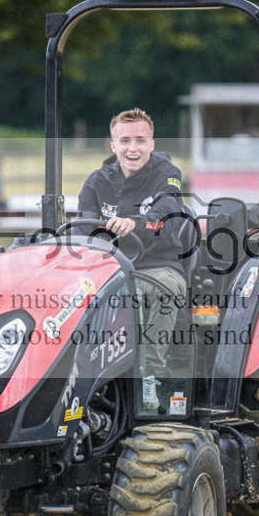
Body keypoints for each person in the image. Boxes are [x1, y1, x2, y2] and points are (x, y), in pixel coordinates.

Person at [78, 109, 186, 407]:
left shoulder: (167, 175)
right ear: (113, 145)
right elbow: (85, 227)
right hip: (109, 267)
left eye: (140, 140)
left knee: (161, 290)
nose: (133, 148)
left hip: (157, 264)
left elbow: (167, 211)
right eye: (125, 141)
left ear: (152, 144)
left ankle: (149, 380)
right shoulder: (97, 181)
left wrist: (135, 223)